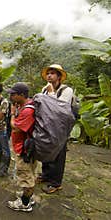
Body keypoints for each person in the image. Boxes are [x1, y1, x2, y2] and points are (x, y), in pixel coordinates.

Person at [38, 64, 74, 194]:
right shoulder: (44, 89)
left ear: (59, 76)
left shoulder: (67, 91)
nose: (49, 75)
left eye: (53, 73)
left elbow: (60, 108)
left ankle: (56, 183)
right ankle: (46, 175)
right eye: (48, 73)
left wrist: (52, 93)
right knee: (46, 150)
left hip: (60, 128)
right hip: (47, 126)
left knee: (58, 155)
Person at [6, 82, 36, 212]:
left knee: (26, 176)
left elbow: (16, 128)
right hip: (26, 147)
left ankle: (24, 204)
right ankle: (29, 197)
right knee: (29, 173)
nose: (11, 96)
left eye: (13, 94)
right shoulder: (25, 106)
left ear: (22, 95)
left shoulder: (28, 110)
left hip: (25, 150)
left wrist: (12, 114)